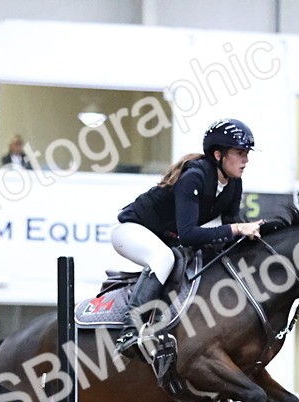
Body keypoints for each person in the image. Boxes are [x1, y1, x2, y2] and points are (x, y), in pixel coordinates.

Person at [111, 118, 263, 357]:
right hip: (131, 230)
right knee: (163, 259)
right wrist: (237, 229)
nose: (246, 159)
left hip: (166, 239)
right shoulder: (194, 176)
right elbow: (189, 234)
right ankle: (129, 331)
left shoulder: (234, 184)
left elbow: (232, 229)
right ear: (218, 155)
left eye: (247, 153)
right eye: (240, 152)